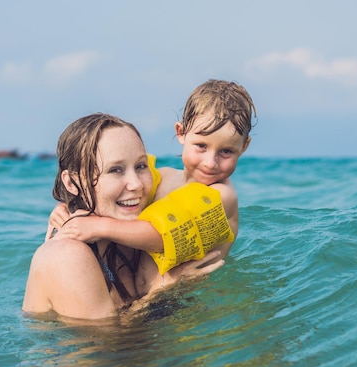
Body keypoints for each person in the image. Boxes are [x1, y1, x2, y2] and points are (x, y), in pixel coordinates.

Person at [22, 113, 224, 322]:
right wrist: (165, 289)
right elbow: (109, 349)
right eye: (115, 170)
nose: (136, 184)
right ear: (72, 183)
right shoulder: (66, 256)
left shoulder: (126, 234)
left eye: (140, 166)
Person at [49, 79, 256, 270]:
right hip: (151, 294)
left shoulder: (221, 195)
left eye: (226, 151)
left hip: (190, 297)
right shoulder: (163, 177)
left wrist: (98, 226)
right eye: (201, 146)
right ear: (181, 133)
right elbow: (115, 195)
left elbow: (163, 236)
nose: (211, 162)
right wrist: (70, 207)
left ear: (244, 146)